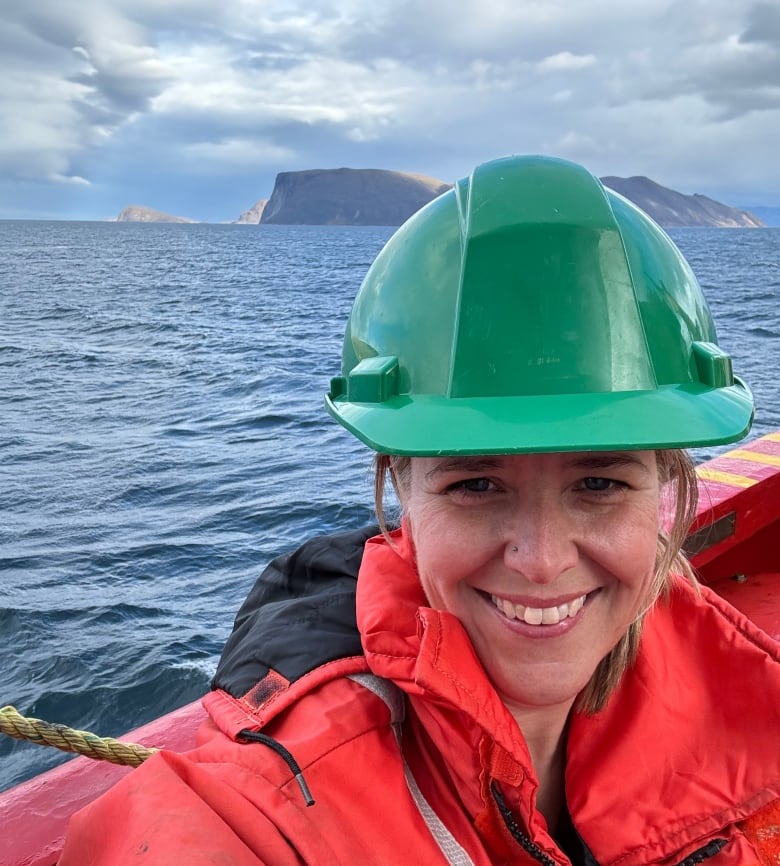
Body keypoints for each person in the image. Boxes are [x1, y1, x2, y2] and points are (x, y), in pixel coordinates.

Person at [60, 155, 780, 865]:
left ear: (666, 484)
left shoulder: (740, 681)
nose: (542, 558)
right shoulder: (279, 800)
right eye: (475, 485)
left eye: (599, 485)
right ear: (398, 487)